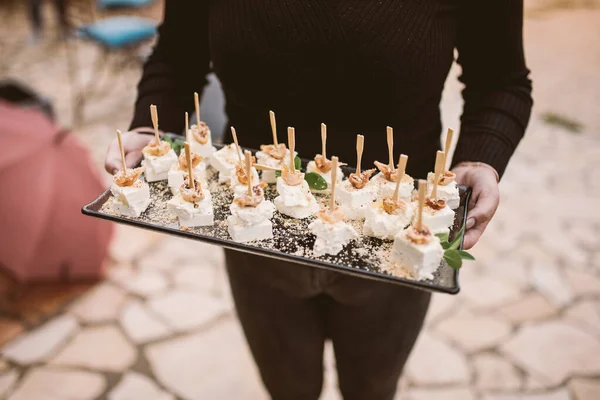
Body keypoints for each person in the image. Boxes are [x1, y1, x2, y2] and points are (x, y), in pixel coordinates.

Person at [105, 1, 532, 398]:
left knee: (372, 390)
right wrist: (150, 124)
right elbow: (178, 55)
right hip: (255, 232)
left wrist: (481, 156)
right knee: (287, 389)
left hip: (399, 245)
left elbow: (501, 79)